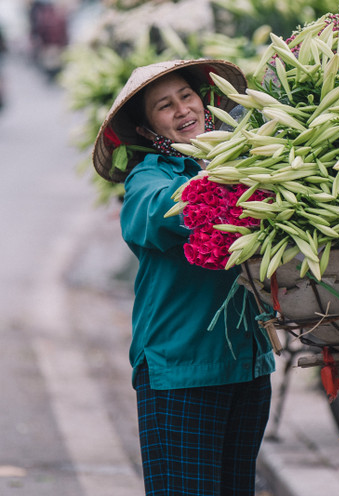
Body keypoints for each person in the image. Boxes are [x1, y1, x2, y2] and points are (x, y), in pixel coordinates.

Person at [92, 59, 275, 496]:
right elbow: (156, 214)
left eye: (186, 97)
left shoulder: (242, 155)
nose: (181, 111)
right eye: (164, 106)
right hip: (181, 370)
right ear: (146, 128)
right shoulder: (149, 178)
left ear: (205, 100)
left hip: (248, 366)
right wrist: (231, 183)